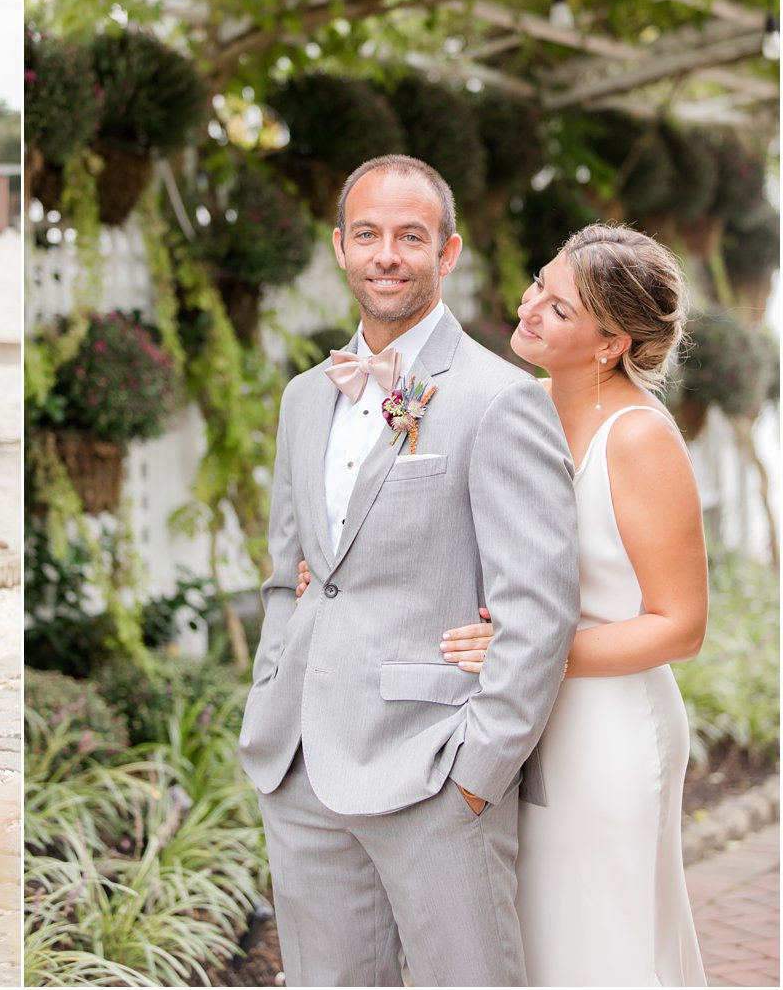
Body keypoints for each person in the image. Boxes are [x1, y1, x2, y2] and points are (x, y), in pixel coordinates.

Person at [237, 154, 581, 986]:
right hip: (301, 766)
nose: (386, 254)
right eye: (368, 234)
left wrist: (477, 775)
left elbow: (538, 610)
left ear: (448, 252)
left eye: (409, 236)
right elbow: (293, 568)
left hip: (433, 767)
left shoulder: (502, 399)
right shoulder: (302, 398)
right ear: (340, 247)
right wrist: (275, 685)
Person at [423, 224, 707, 985]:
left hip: (609, 725)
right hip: (520, 716)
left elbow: (680, 627)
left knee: (604, 941)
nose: (530, 307)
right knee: (536, 939)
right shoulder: (514, 406)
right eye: (538, 284)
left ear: (612, 341)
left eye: (559, 306)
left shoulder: (640, 439)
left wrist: (532, 654)